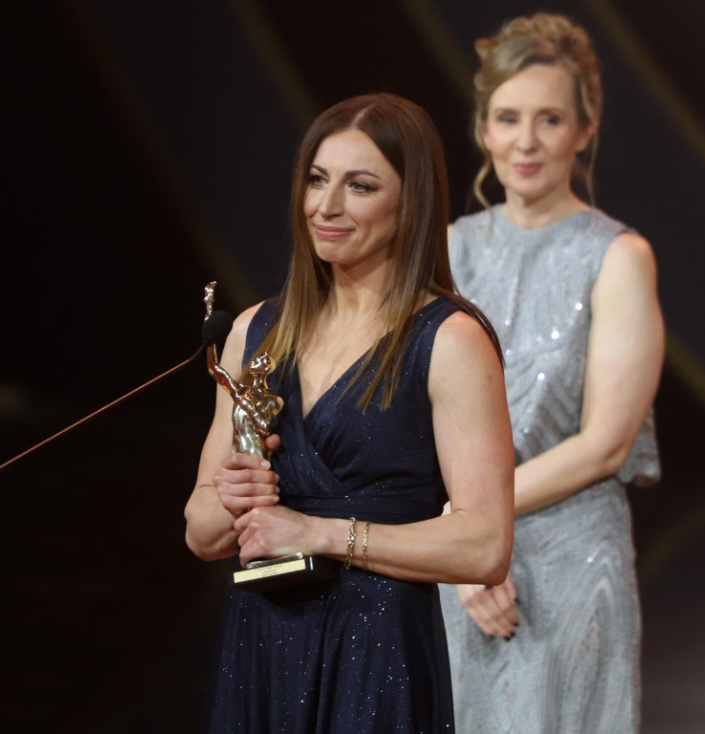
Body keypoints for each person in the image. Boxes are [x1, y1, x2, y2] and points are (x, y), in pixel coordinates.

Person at [184, 92, 515, 733]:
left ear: (410, 202)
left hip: (378, 656)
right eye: (317, 180)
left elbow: (485, 545)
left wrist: (319, 534)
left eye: (359, 186)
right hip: (261, 649)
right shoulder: (254, 333)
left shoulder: (449, 341)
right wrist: (233, 498)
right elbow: (200, 533)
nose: (326, 207)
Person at [437, 13, 665, 733]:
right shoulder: (446, 252)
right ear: (483, 129)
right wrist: (462, 552)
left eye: (550, 119)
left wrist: (472, 528)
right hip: (457, 569)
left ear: (584, 130)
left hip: (571, 569)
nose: (526, 141)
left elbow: (604, 444)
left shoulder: (618, 257)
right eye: (508, 118)